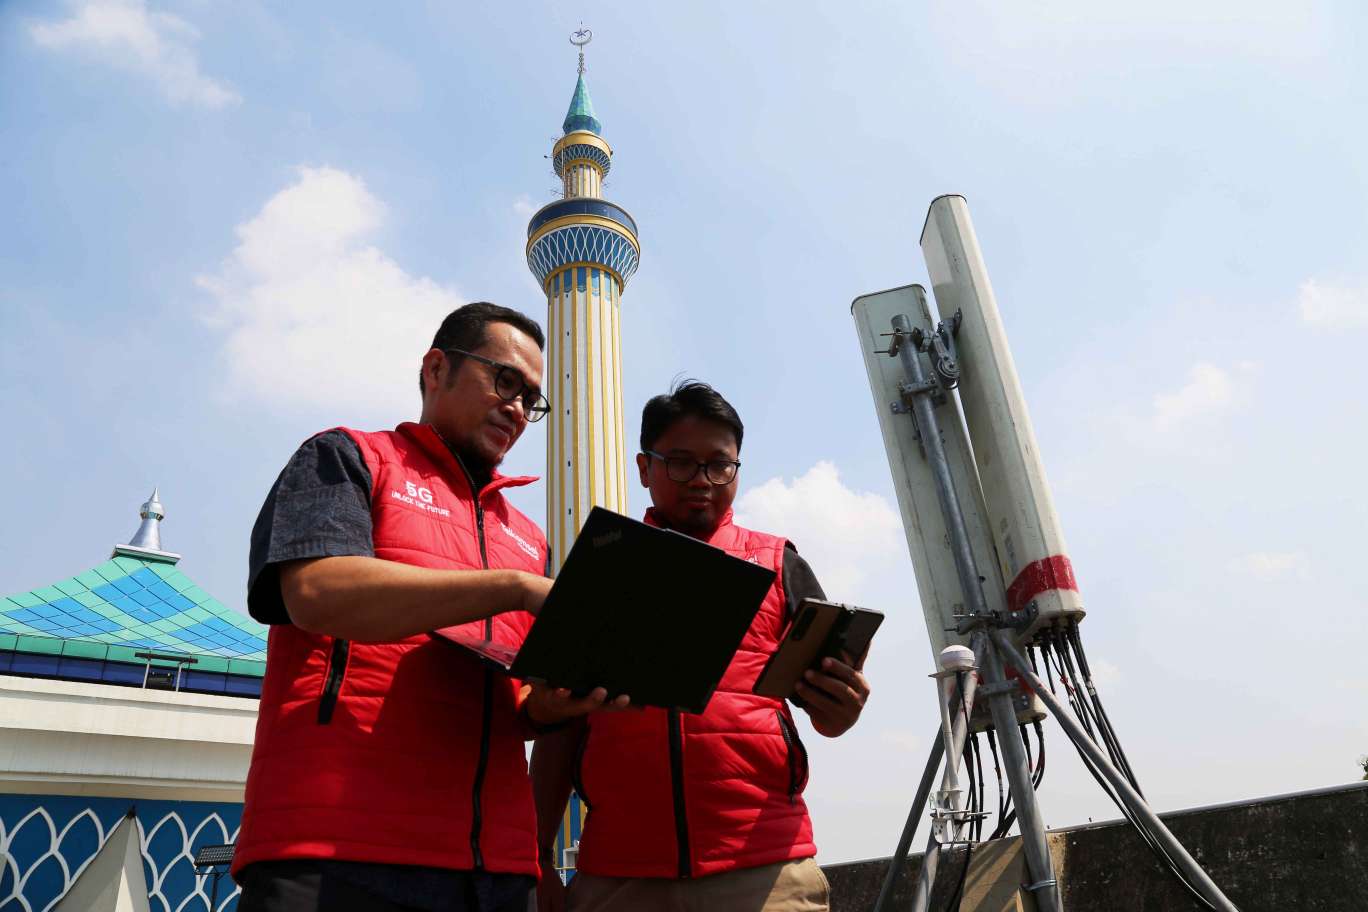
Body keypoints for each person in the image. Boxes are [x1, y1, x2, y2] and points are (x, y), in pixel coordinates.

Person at [233, 302, 623, 912]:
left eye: (533, 399)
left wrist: (554, 705)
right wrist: (514, 587)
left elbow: (517, 705)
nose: (519, 409)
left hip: (495, 867)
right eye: (506, 381)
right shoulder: (348, 458)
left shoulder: (526, 534)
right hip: (339, 849)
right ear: (436, 368)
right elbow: (313, 592)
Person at [531, 381, 872, 912]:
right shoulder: (602, 571)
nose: (703, 481)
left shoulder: (778, 563)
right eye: (682, 463)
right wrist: (539, 856)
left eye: (721, 465)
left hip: (764, 871)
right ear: (644, 468)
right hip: (620, 876)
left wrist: (844, 707)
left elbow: (826, 714)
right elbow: (561, 728)